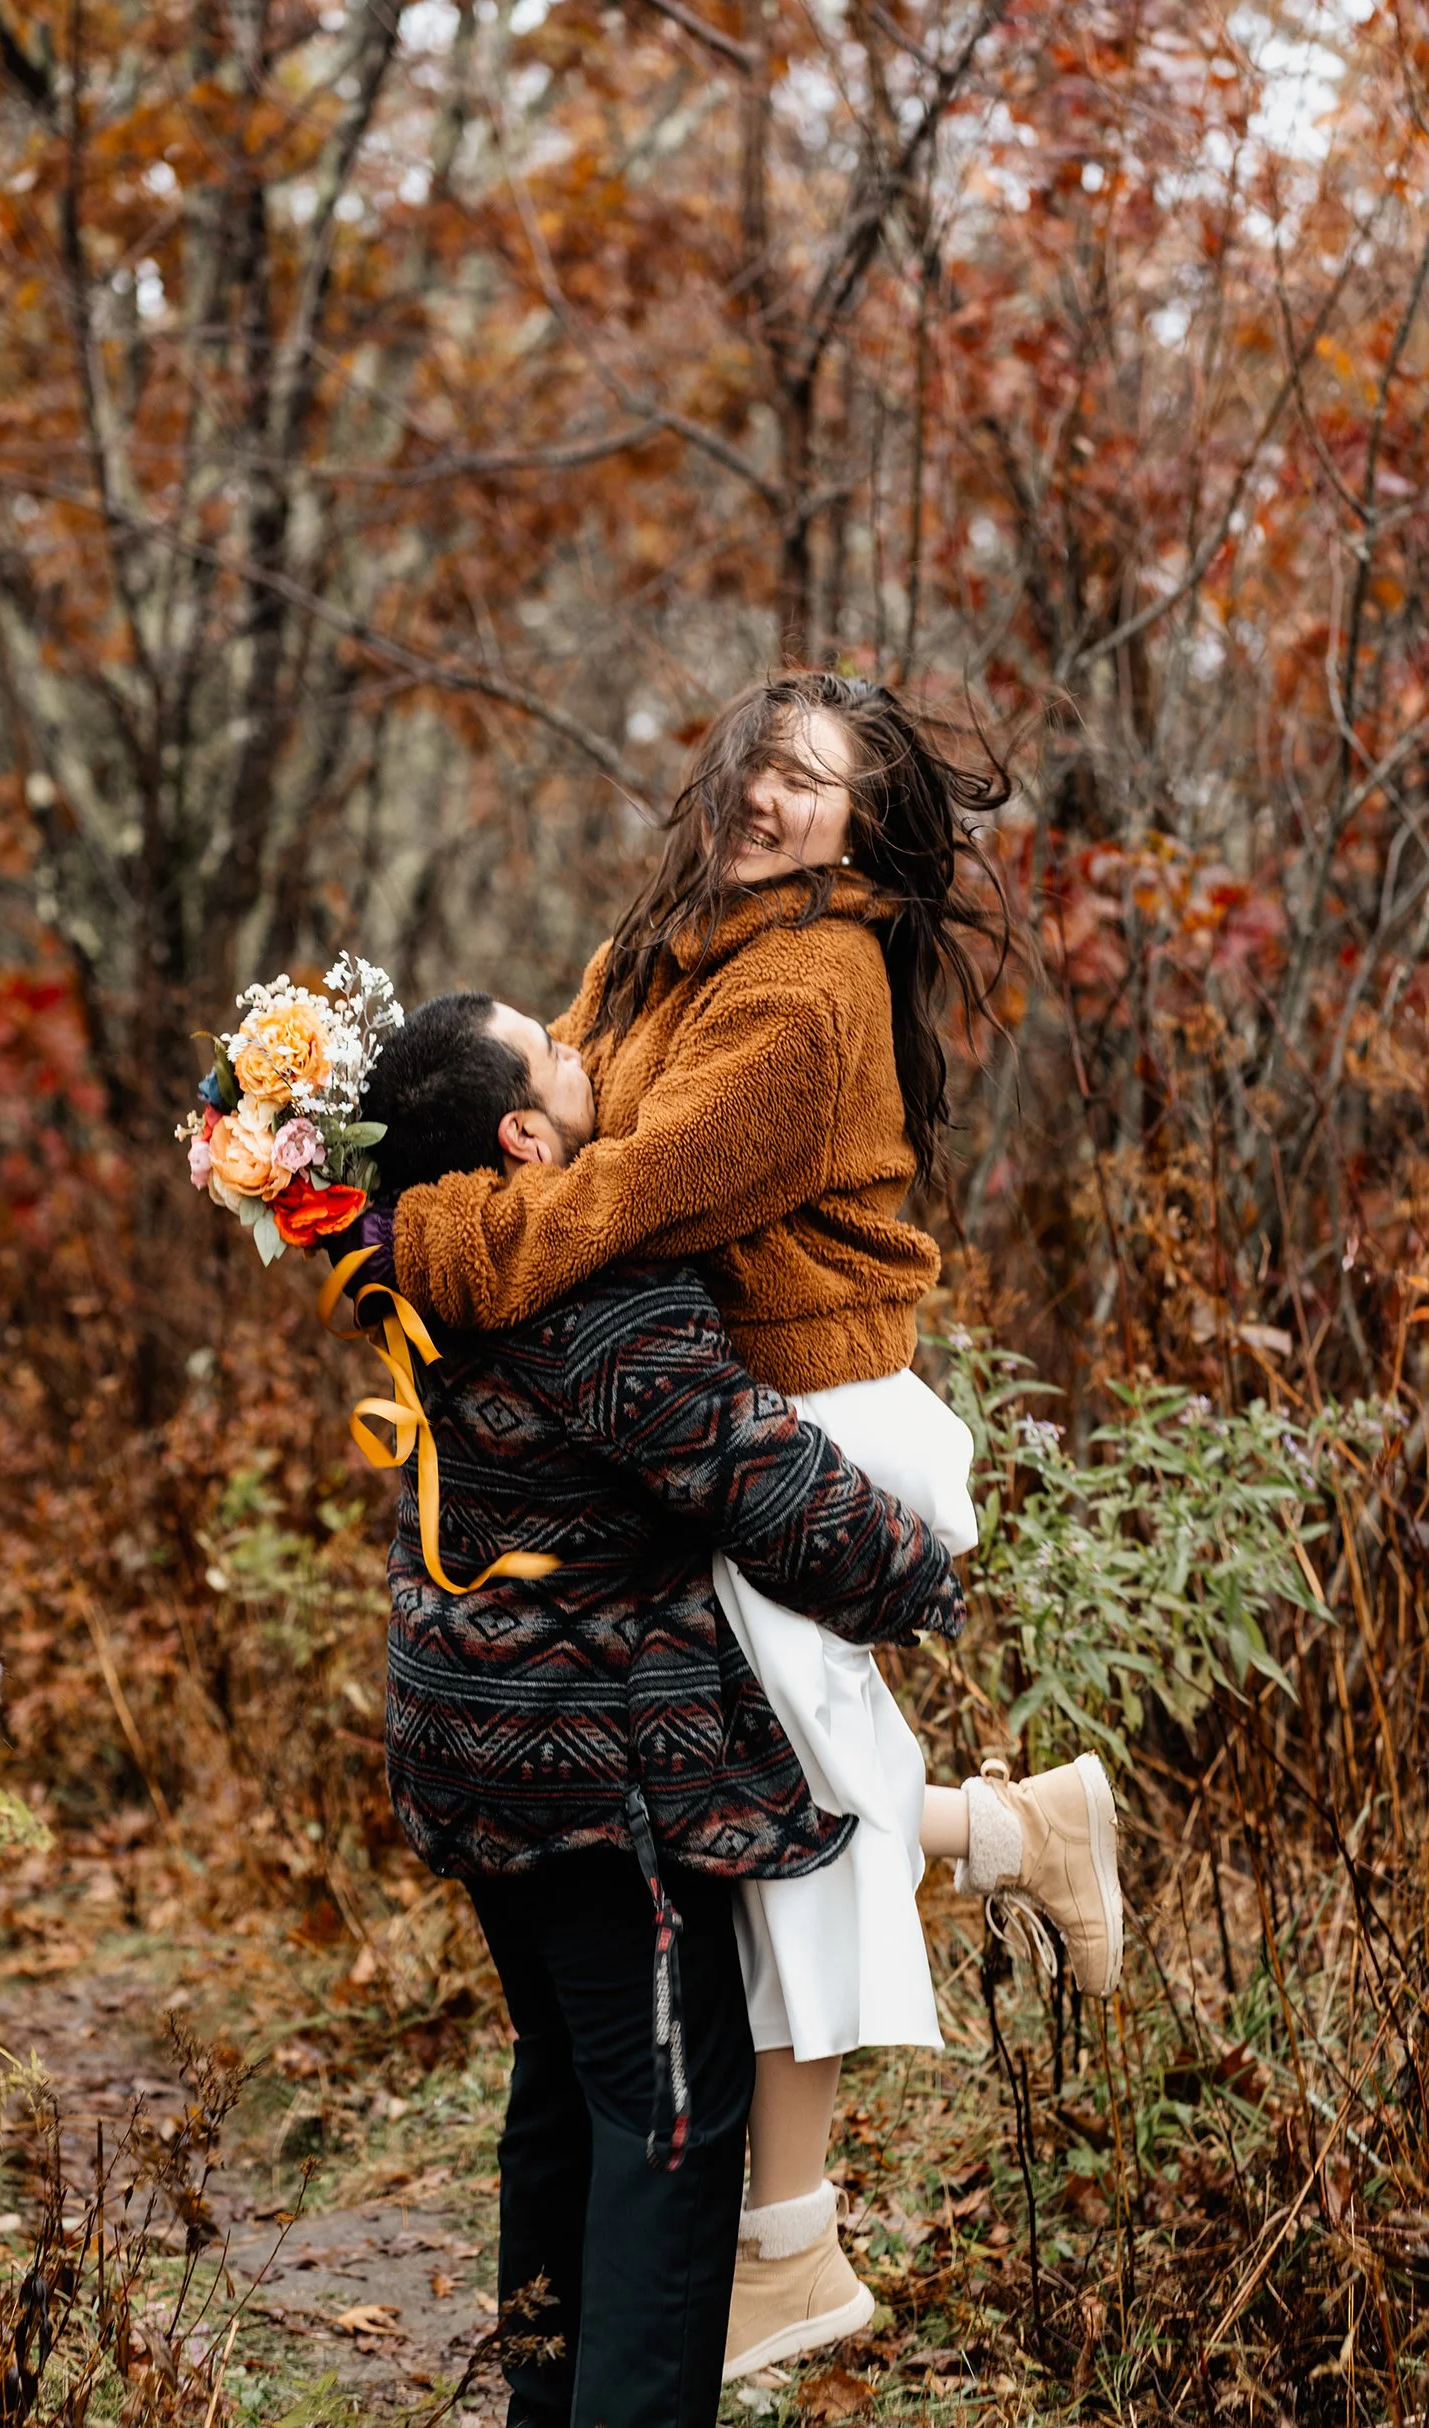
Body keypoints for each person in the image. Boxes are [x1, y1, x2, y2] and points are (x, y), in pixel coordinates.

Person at [374, 673, 1124, 2382]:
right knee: (754, 1798)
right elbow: (539, 1108)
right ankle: (1011, 1843)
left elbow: (622, 1192)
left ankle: (791, 2248)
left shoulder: (806, 986)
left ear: (860, 830)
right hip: (700, 1409)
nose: (773, 799)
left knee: (764, 1818)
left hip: (808, 1417)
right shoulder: (668, 942)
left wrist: (425, 1242)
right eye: (763, 765)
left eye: (817, 784)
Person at [338, 990, 969, 2428]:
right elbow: (769, 1488)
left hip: (469, 1749)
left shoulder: (417, 1265)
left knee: (569, 2083)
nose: (586, 1055)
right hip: (592, 1779)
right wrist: (926, 1576)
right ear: (520, 1133)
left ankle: (547, 2407)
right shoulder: (599, 1303)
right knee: (671, 2122)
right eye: (555, 1054)